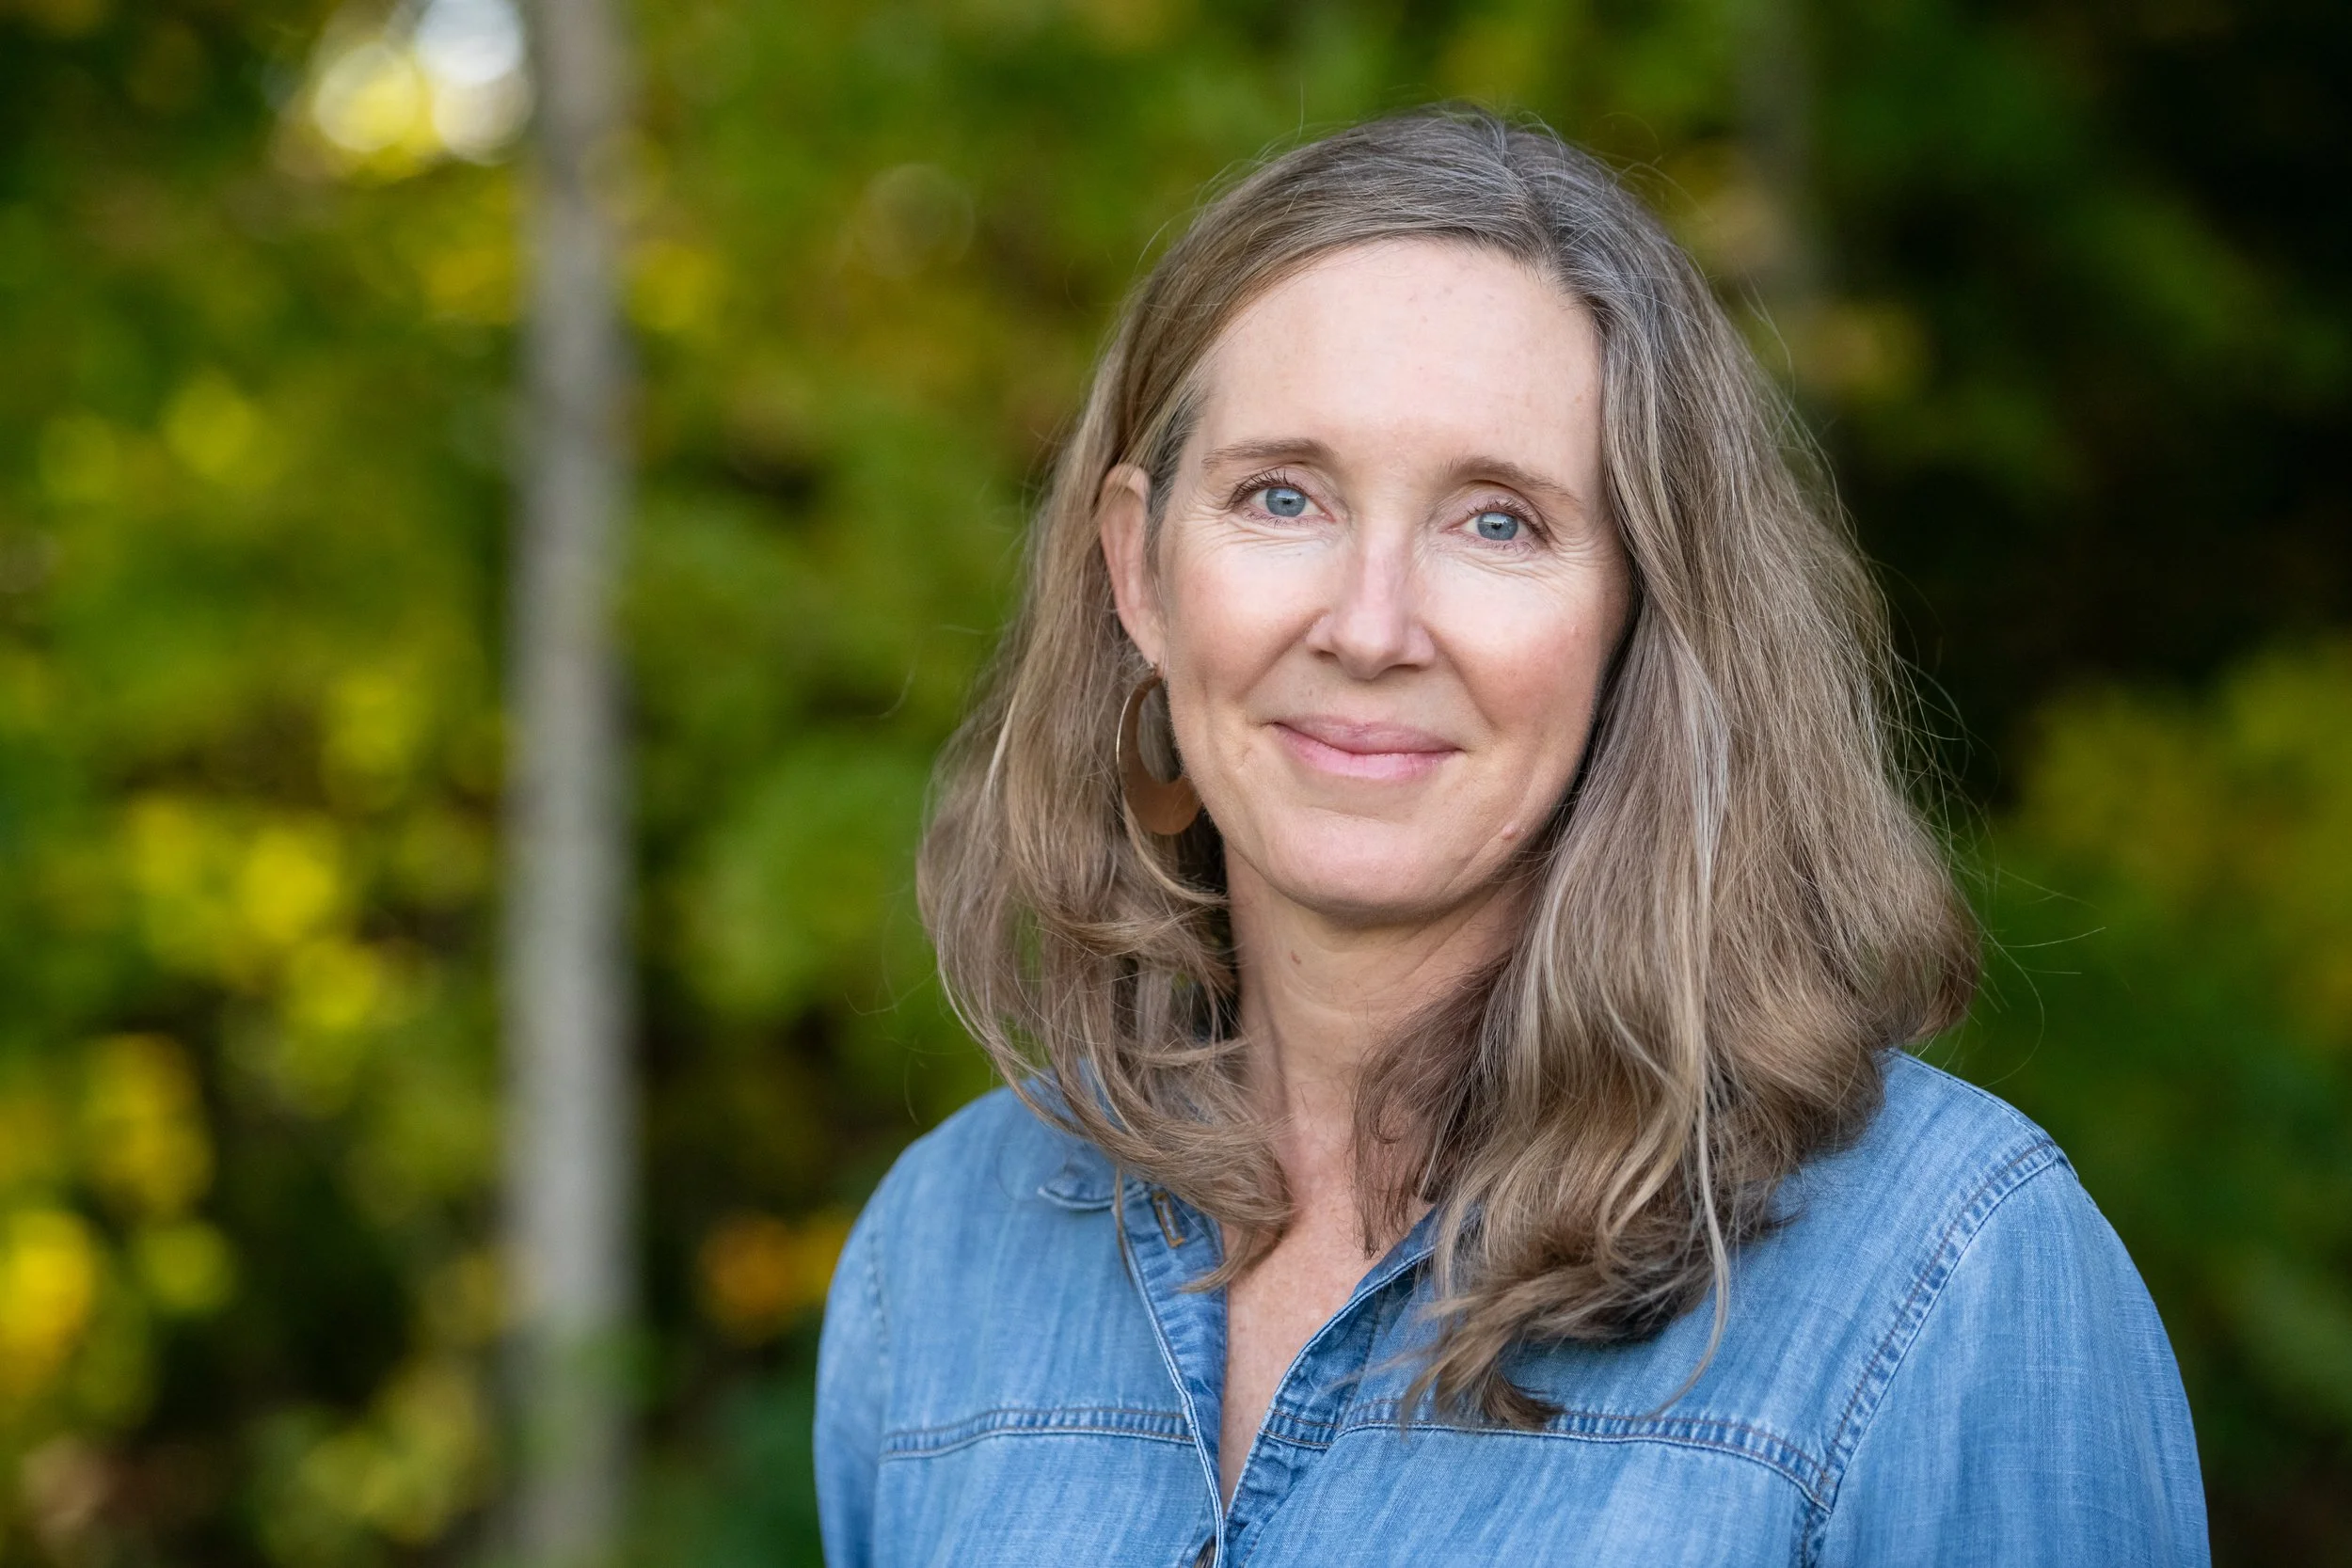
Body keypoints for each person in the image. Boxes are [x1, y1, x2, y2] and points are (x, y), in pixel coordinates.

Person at [814, 108, 2206, 1567]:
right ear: (1139, 573)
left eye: (1497, 523)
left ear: (1641, 615)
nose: (1370, 627)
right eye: (1282, 496)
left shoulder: (1944, 1276)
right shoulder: (942, 1255)